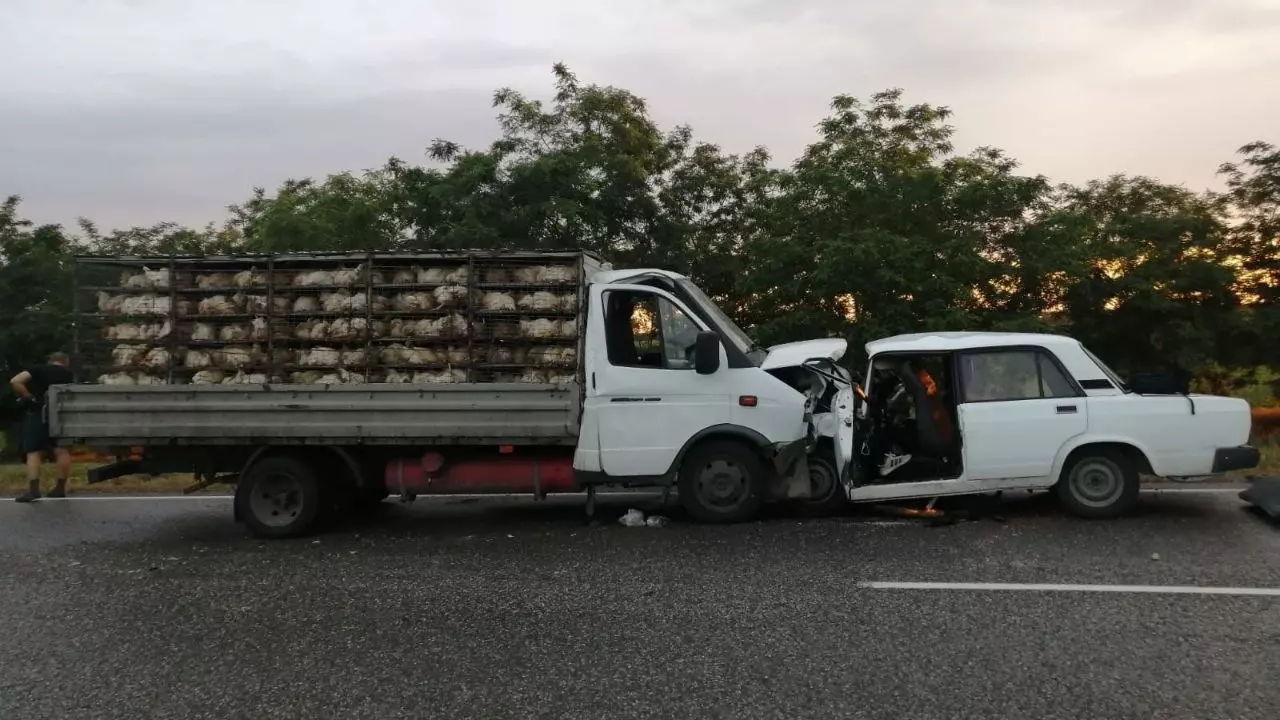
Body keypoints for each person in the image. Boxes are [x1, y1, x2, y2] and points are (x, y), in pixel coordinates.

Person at [10, 352, 74, 502]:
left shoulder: (39, 369)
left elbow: (15, 381)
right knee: (61, 450)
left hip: (39, 412)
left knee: (33, 451)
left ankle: (33, 491)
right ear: (66, 362)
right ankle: (59, 489)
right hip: (61, 415)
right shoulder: (68, 374)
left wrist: (27, 396)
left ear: (50, 361)